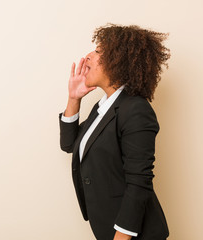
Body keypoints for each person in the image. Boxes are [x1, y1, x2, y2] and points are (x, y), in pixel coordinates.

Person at [58, 23, 171, 240]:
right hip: (107, 226)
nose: (88, 56)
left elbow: (139, 181)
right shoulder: (104, 106)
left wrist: (121, 236)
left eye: (99, 51)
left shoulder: (136, 109)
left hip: (132, 233)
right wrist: (74, 98)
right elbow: (70, 145)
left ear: (119, 60)